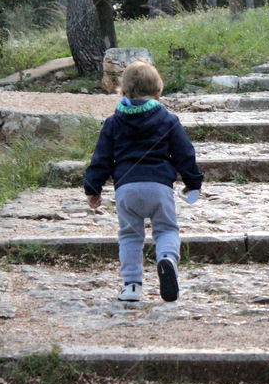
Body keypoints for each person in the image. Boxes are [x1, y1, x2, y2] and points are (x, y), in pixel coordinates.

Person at [83, 61, 203, 302]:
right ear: (159, 92)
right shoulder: (168, 120)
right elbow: (184, 154)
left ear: (124, 93)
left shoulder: (113, 123)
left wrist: (93, 188)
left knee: (129, 235)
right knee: (167, 229)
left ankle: (132, 286)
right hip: (159, 188)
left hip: (126, 190)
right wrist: (193, 181)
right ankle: (166, 259)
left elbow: (102, 158)